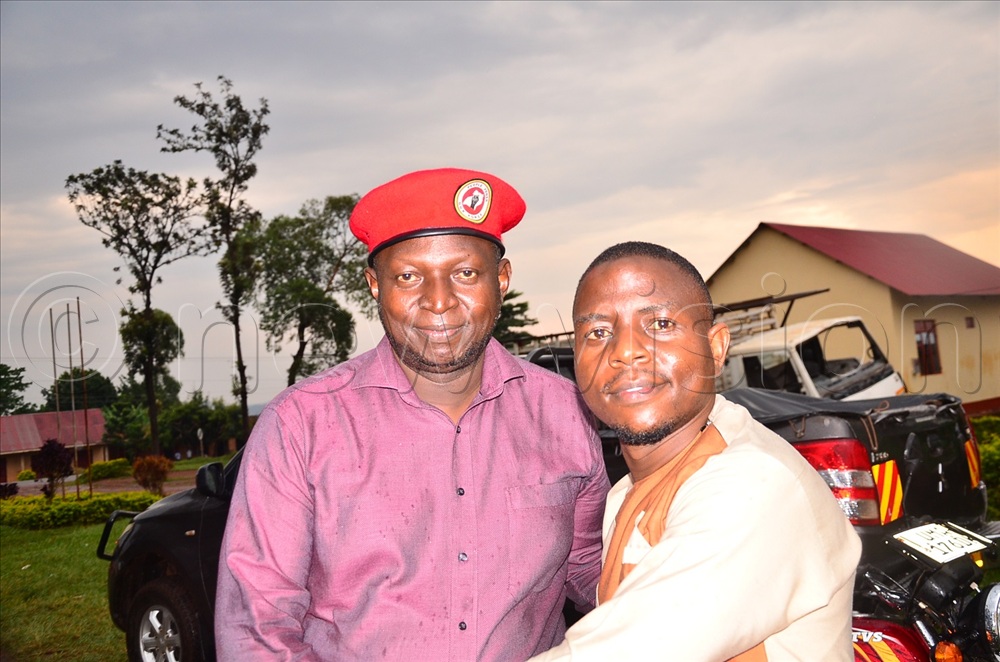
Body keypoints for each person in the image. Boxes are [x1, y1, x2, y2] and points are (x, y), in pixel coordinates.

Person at [215, 168, 610, 660]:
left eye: (465, 273)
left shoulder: (566, 412)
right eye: (408, 276)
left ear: (501, 280)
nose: (439, 302)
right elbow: (258, 628)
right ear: (374, 285)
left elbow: (589, 567)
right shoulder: (301, 425)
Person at [531, 241, 862, 661]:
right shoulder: (628, 493)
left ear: (716, 348)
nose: (624, 351)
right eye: (598, 333)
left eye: (661, 324)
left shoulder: (753, 484)